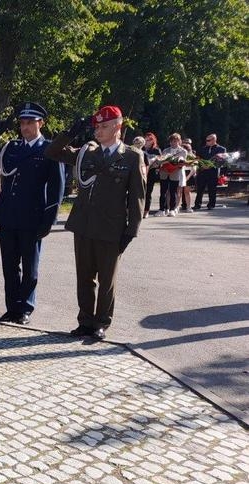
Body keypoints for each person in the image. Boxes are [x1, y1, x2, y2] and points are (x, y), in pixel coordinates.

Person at [45, 105, 145, 340]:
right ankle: (85, 321)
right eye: (96, 127)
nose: (98, 131)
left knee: (107, 280)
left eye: (104, 126)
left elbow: (137, 197)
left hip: (112, 228)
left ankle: (101, 322)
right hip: (83, 225)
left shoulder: (131, 156)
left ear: (118, 127)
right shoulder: (86, 153)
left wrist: (131, 231)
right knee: (84, 277)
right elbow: (52, 151)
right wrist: (71, 132)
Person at [0, 102, 64, 324]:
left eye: (30, 123)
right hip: (8, 215)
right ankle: (12, 307)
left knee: (30, 266)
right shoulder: (12, 147)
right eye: (22, 123)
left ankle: (25, 307)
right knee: (10, 265)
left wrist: (49, 219)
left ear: (40, 123)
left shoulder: (50, 149)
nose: (25, 127)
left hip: (32, 216)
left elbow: (57, 187)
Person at [156, 133, 187, 217]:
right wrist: (165, 161)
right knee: (163, 192)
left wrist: (175, 162)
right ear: (170, 142)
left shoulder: (183, 151)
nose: (174, 143)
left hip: (175, 172)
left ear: (179, 141)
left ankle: (172, 209)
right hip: (164, 172)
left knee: (173, 192)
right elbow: (161, 160)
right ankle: (161, 209)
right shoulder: (165, 150)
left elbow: (182, 163)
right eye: (172, 141)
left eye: (176, 141)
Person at [194, 133, 227, 210]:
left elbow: (222, 161)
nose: (206, 141)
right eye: (206, 140)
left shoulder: (221, 149)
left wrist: (210, 165)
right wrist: (202, 165)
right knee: (200, 189)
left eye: (208, 140)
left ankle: (211, 205)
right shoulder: (203, 148)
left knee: (212, 189)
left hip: (213, 172)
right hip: (202, 171)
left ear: (214, 140)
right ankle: (197, 204)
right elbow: (198, 159)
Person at [142, 133, 162, 217]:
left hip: (151, 173)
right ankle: (139, 209)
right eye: (146, 139)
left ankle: (146, 211)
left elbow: (159, 163)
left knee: (148, 192)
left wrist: (153, 162)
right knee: (140, 192)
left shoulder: (156, 150)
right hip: (141, 173)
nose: (147, 141)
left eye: (149, 140)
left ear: (153, 141)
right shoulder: (140, 148)